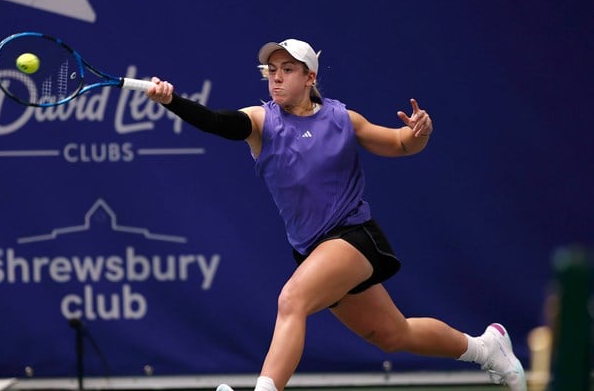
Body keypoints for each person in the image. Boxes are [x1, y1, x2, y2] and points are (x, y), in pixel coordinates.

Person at [145, 39, 527, 391]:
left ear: (310, 77)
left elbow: (400, 143)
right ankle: (487, 348)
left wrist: (419, 132)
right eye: (271, 70)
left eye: (287, 69)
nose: (276, 77)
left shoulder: (343, 119)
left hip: (353, 236)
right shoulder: (262, 122)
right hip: (315, 250)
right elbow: (216, 121)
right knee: (394, 335)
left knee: (292, 299)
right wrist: (171, 100)